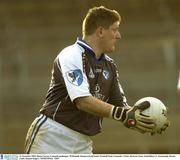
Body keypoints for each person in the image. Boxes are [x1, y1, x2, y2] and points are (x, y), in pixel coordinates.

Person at [24, 6, 169, 154]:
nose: (118, 35)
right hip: (52, 137)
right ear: (100, 31)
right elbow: (83, 101)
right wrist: (123, 114)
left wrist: (145, 119)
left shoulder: (110, 66)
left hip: (84, 144)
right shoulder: (71, 55)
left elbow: (121, 107)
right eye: (115, 29)